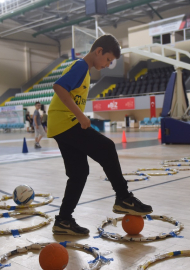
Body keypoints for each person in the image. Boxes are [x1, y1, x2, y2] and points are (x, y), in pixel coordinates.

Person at [48, 35, 152, 235]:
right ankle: (123, 197)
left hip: (59, 125)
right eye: (108, 60)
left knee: (78, 174)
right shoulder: (80, 66)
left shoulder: (84, 70)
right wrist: (80, 116)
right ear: (99, 51)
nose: (108, 65)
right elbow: (58, 87)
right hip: (65, 122)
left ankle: (63, 220)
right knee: (107, 147)